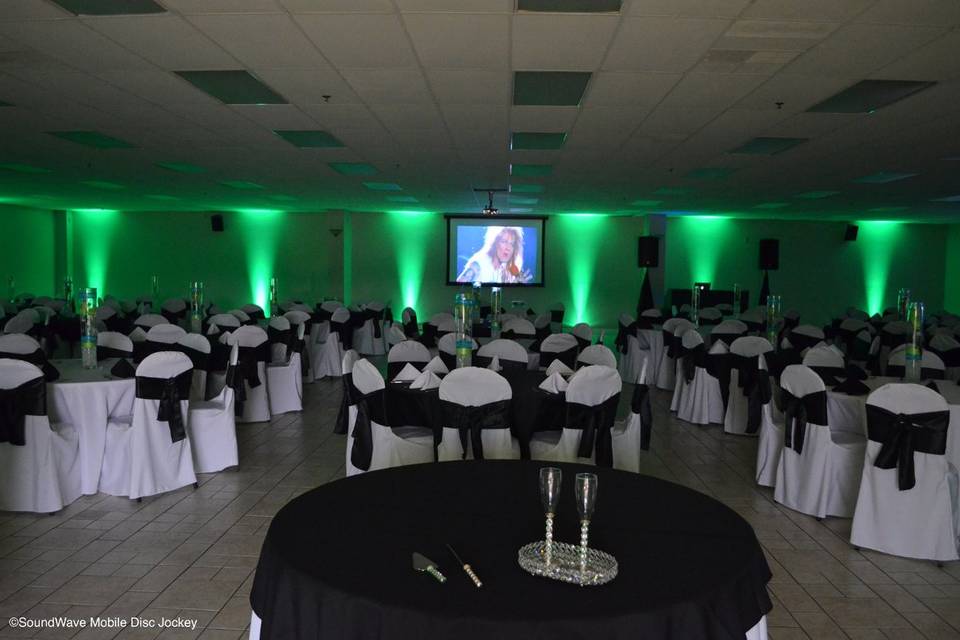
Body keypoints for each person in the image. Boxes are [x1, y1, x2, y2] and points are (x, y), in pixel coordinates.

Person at [456, 226, 533, 284]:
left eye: (512, 244)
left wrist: (518, 284)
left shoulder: (510, 267)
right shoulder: (479, 263)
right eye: (504, 241)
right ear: (494, 243)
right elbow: (458, 286)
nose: (508, 248)